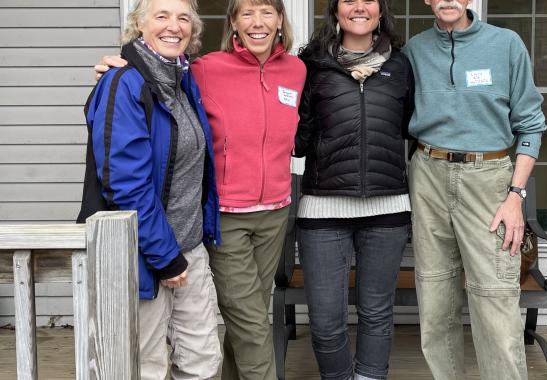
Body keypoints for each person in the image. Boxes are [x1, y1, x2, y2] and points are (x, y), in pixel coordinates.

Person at [94, 0, 306, 378]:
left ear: (280, 21)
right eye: (247, 13)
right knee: (247, 319)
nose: (258, 22)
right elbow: (126, 177)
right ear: (233, 24)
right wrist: (119, 64)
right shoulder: (201, 71)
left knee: (246, 317)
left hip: (265, 214)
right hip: (215, 221)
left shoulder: (294, 70)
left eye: (267, 12)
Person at [403, 0, 547, 379]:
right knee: (435, 300)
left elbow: (531, 125)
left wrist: (516, 196)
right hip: (427, 175)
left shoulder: (506, 44)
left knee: (494, 298)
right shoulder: (414, 50)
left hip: (489, 179)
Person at [78, 0, 222, 378]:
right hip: (143, 256)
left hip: (189, 249)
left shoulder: (181, 80)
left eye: (183, 18)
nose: (174, 26)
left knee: (203, 362)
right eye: (161, 16)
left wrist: (189, 248)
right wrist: (165, 257)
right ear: (139, 25)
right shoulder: (123, 83)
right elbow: (124, 184)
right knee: (145, 367)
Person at [293, 0, 414, 379]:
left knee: (377, 312)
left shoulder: (402, 64)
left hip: (388, 207)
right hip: (322, 209)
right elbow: (297, 136)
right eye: (348, 0)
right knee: (326, 319)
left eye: (369, 0)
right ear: (335, 11)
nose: (359, 7)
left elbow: (414, 123)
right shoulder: (309, 65)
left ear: (381, 11)